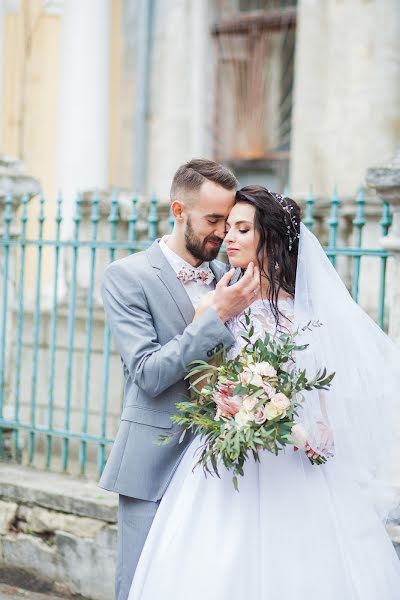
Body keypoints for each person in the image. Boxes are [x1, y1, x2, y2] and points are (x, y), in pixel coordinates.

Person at [128, 186, 400, 599]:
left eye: (242, 229)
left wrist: (318, 427)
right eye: (227, 227)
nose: (228, 238)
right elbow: (200, 383)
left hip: (294, 461)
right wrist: (233, 400)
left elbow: (323, 387)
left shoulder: (307, 314)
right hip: (226, 456)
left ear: (269, 239)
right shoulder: (215, 305)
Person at [99, 160, 261, 600]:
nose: (222, 234)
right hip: (151, 462)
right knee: (140, 584)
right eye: (212, 220)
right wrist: (216, 317)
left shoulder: (227, 277)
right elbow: (148, 373)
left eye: (228, 222)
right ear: (178, 210)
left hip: (215, 466)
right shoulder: (127, 276)